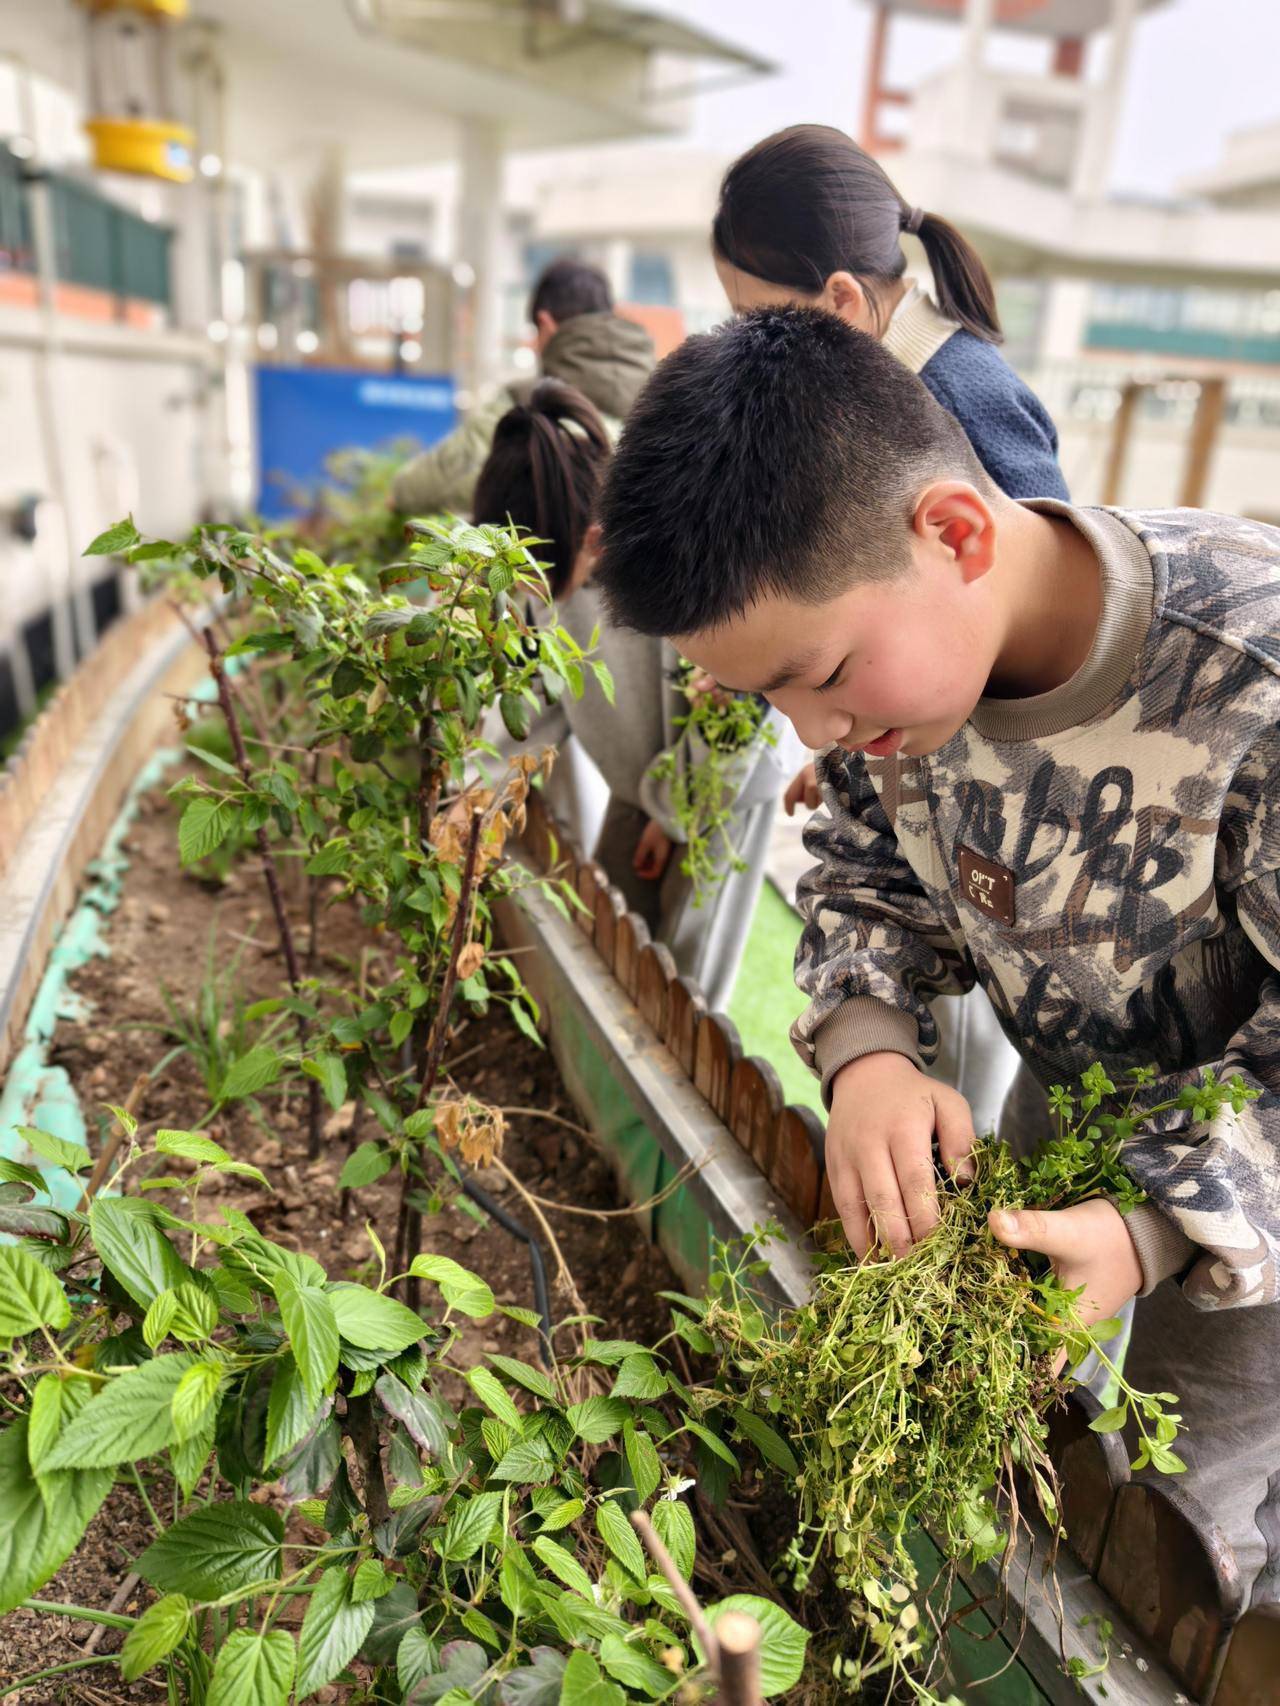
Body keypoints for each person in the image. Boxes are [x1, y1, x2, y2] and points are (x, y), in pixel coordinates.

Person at [594, 304, 1280, 1596]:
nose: (815, 733)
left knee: (1191, 1549)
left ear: (955, 532)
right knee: (1015, 1468)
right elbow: (866, 866)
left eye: (826, 673)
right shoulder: (897, 701)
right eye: (773, 703)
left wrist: (1151, 1227)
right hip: (1050, 1123)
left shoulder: (1249, 677)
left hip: (1255, 1239)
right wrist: (869, 1051)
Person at [712, 124, 1063, 1136]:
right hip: (916, 789)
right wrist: (850, 731)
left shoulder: (959, 395)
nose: (752, 353)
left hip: (989, 824)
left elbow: (1017, 617)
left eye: (755, 320)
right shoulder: (890, 384)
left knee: (957, 1067)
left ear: (836, 301)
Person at [472, 379, 796, 1012]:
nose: (531, 591)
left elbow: (735, 704)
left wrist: (673, 814)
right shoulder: (553, 572)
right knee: (615, 945)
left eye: (535, 572)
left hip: (720, 791)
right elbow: (535, 692)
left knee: (685, 988)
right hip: (638, 778)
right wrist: (475, 788)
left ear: (585, 535)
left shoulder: (674, 545)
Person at [391, 257, 655, 519]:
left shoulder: (528, 402)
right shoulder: (661, 395)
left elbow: (442, 477)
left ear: (545, 324)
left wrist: (398, 493)